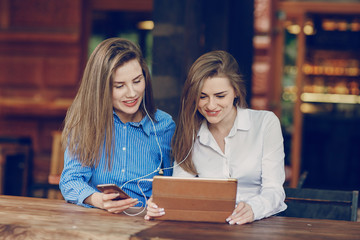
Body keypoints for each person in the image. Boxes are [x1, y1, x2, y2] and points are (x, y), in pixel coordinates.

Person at [145, 50, 286, 224]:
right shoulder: (190, 132)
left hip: (259, 224)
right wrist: (160, 205)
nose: (211, 105)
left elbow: (274, 190)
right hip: (208, 225)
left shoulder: (265, 123)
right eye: (202, 96)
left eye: (220, 96)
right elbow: (181, 192)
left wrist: (253, 209)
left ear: (235, 92)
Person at [59, 38, 175, 214]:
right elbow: (70, 180)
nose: (132, 93)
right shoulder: (86, 122)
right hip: (97, 220)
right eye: (119, 86)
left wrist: (161, 202)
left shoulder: (164, 125)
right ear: (100, 88)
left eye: (137, 81)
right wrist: (97, 199)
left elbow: (176, 186)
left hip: (147, 223)